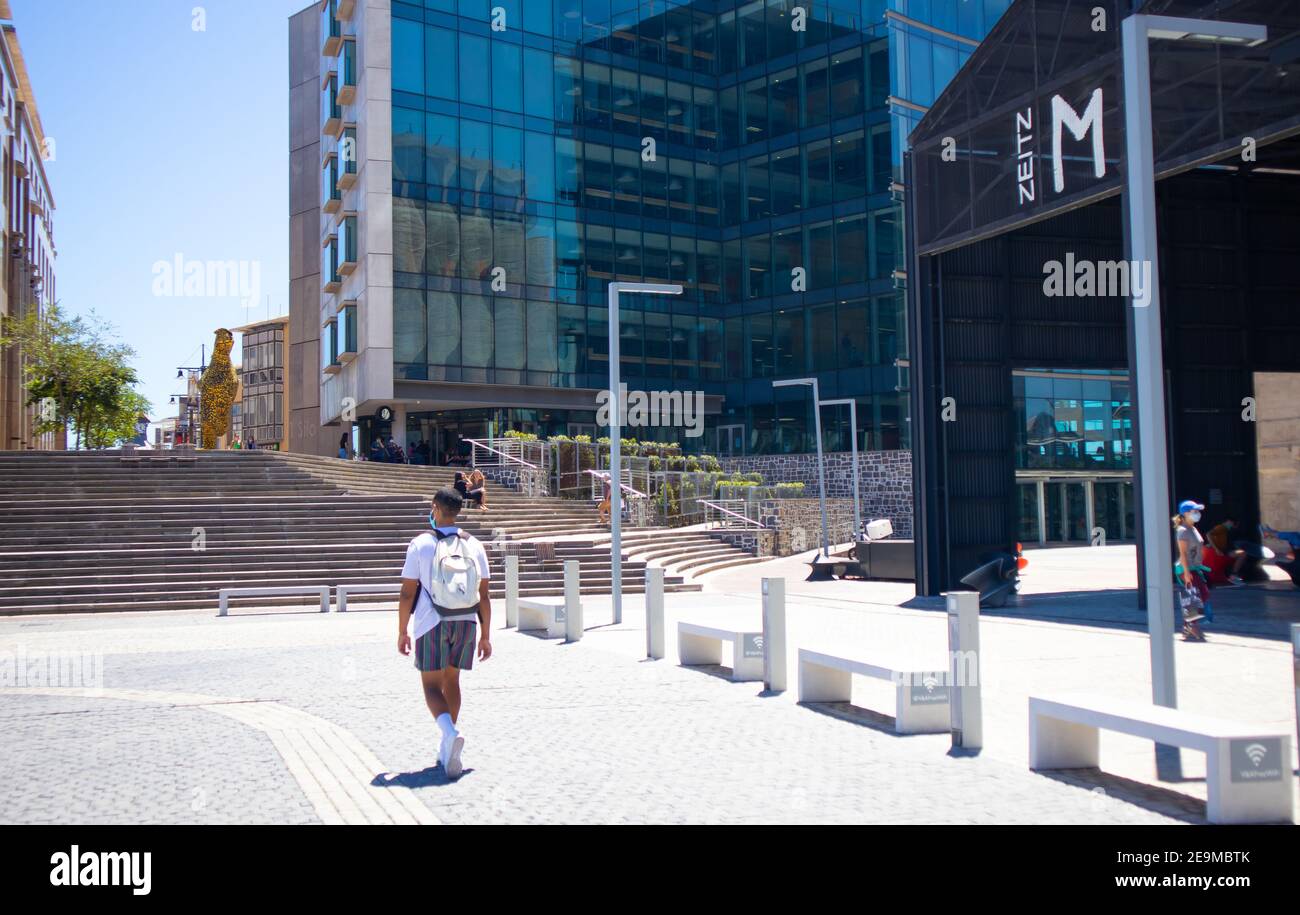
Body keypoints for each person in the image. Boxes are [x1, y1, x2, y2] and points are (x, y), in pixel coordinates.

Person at [397, 488, 492, 778]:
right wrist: (486, 635)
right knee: (452, 680)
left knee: (430, 686)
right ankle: (446, 746)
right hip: (466, 621)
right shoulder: (474, 544)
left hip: (431, 621)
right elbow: (485, 595)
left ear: (436, 509)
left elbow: (406, 592)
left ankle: (449, 733)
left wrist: (402, 630)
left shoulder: (421, 544)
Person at [1173, 499, 1209, 641]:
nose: (1197, 514)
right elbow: (1182, 553)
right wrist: (1186, 573)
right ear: (1185, 513)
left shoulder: (1193, 528)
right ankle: (1192, 626)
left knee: (1202, 595)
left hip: (1194, 566)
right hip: (1186, 568)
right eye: (1194, 511)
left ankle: (1188, 626)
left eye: (1197, 511)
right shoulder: (1182, 530)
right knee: (1193, 597)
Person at [1203, 519, 1246, 586]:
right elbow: (1208, 534)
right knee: (1242, 554)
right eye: (1231, 523)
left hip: (1222, 553)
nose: (1232, 525)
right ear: (1228, 521)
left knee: (1242, 553)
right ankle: (1233, 575)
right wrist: (1216, 549)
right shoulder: (1221, 527)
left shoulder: (1226, 530)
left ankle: (1233, 575)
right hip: (1216, 554)